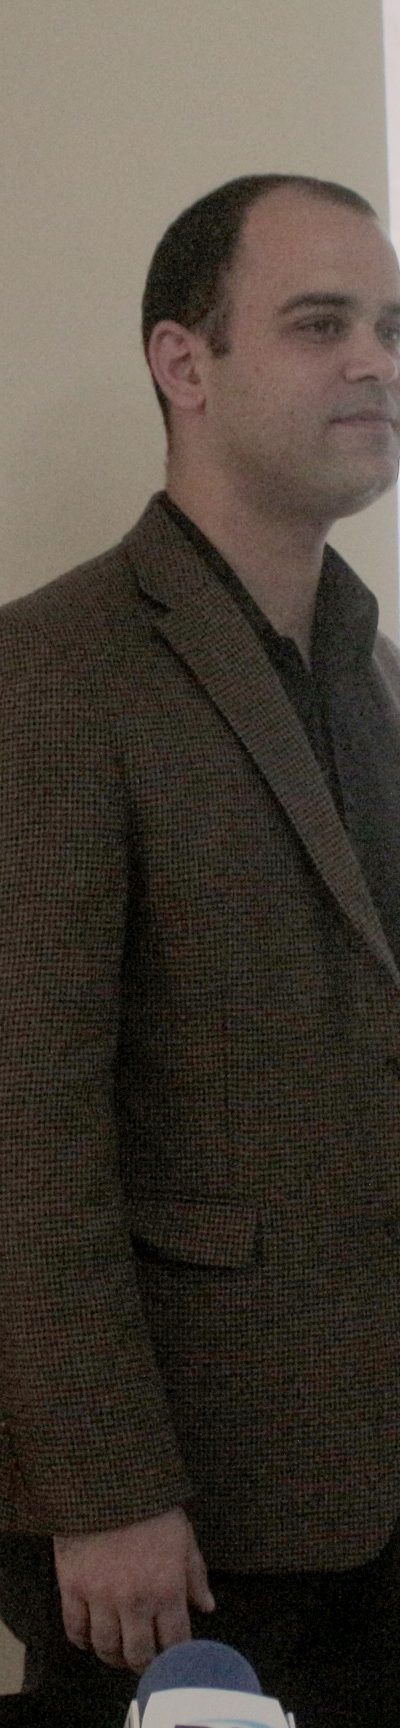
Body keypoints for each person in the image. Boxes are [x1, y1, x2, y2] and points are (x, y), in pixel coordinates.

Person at [1, 172, 400, 1728]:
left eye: (392, 327)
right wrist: (100, 1488)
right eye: (320, 324)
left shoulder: (367, 669)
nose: (375, 363)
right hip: (178, 1527)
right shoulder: (54, 672)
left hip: (371, 1489)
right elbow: (26, 1122)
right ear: (185, 362)